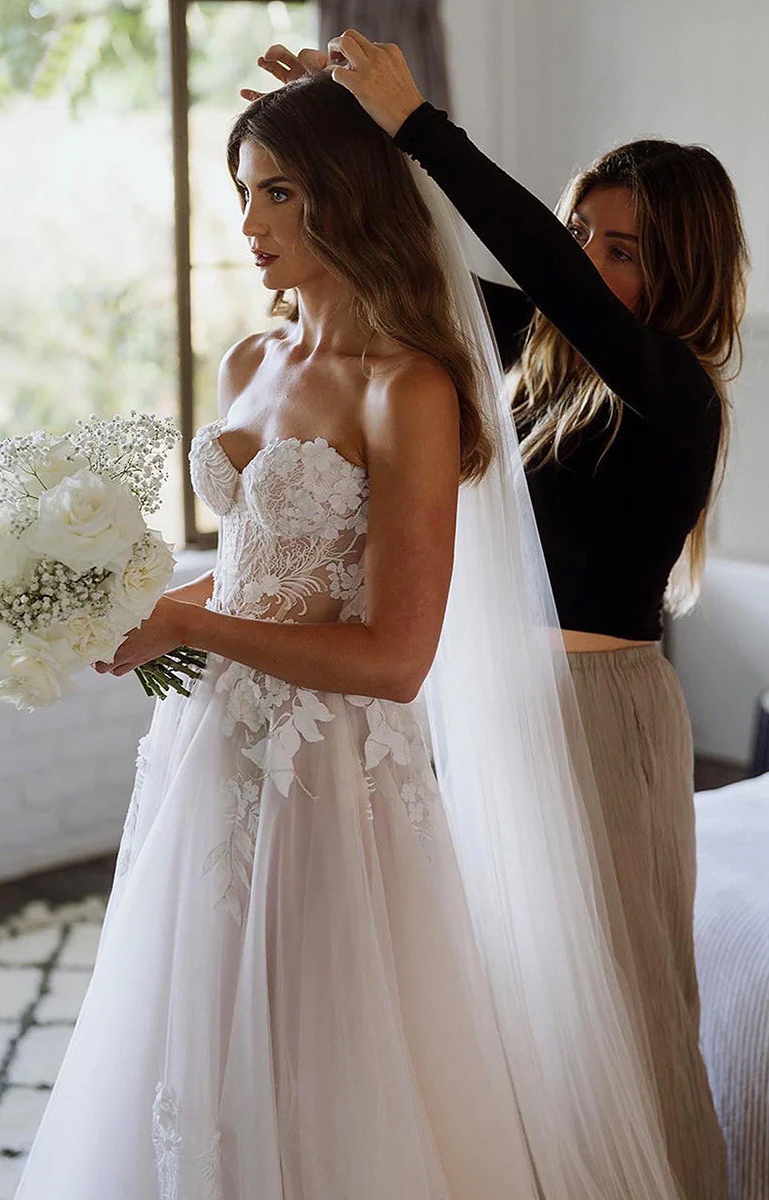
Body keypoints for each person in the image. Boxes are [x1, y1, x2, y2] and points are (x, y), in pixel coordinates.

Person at [15, 74, 684, 1200]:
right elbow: (253, 567)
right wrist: (121, 594)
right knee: (191, 1032)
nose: (249, 226)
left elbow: (392, 657)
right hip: (206, 751)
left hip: (328, 773)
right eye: (241, 192)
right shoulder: (246, 363)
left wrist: (184, 619)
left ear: (346, 197)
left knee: (319, 1055)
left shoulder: (406, 389)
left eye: (278, 192)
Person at [249, 33, 750, 1200]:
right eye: (581, 233)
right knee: (510, 1004)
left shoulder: (673, 388)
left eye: (618, 249)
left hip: (598, 721)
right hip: (493, 716)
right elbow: (402, 258)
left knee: (625, 1011)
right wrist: (329, 143)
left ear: (677, 271)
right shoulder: (533, 358)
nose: (582, 262)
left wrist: (419, 124)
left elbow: (530, 263)